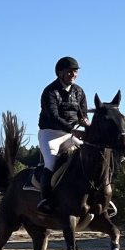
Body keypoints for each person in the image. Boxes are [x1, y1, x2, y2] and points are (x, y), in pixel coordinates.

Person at [36, 56, 90, 213]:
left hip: (71, 133)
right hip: (50, 134)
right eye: (70, 72)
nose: (73, 74)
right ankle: (46, 199)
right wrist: (72, 129)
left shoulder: (79, 92)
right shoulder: (50, 91)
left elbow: (83, 113)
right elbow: (53, 117)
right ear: (60, 73)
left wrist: (85, 122)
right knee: (51, 163)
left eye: (75, 72)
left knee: (87, 157)